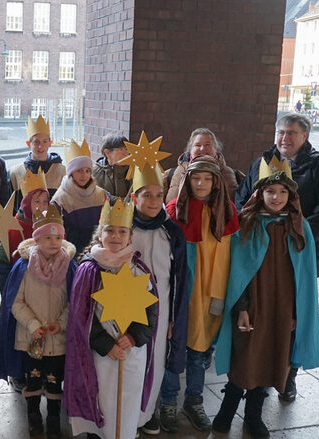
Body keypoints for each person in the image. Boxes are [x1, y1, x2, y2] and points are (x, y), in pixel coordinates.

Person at [213, 158, 319, 439]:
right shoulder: (247, 224)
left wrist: (297, 313)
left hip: (283, 309)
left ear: (291, 196)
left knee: (273, 357)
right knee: (246, 357)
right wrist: (242, 308)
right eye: (270, 191)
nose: (276, 198)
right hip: (253, 305)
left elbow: (305, 279)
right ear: (259, 193)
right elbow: (237, 274)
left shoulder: (300, 228)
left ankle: (253, 415)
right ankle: (227, 408)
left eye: (283, 192)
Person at [235, 113, 319, 401]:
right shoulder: (261, 165)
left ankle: (287, 376)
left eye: (291, 133)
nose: (284, 138)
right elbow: (241, 201)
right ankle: (256, 370)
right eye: (280, 132)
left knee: (292, 318)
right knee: (261, 315)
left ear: (305, 136)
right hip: (260, 256)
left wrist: (295, 237)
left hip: (299, 257)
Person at [64, 198, 158, 439]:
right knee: (105, 403)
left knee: (127, 404)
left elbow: (150, 312)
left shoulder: (139, 268)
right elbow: (80, 315)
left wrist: (135, 337)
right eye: (110, 230)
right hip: (102, 355)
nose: (116, 236)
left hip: (132, 352)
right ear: (100, 234)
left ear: (129, 236)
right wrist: (106, 345)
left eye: (122, 231)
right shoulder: (90, 270)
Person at [162, 155, 239, 433]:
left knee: (199, 351)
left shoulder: (227, 212)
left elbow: (230, 259)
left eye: (207, 179)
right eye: (196, 178)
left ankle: (194, 400)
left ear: (216, 182)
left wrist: (223, 298)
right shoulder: (174, 210)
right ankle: (168, 401)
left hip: (210, 293)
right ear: (187, 180)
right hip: (179, 293)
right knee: (173, 349)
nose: (201, 183)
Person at [0, 204, 77, 439]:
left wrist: (61, 323)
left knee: (54, 381)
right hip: (31, 338)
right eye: (47, 237)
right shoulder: (24, 267)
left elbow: (74, 302)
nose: (53, 242)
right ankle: (34, 420)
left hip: (58, 338)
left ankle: (52, 422)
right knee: (34, 379)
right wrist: (33, 325)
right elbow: (15, 302)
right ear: (37, 239)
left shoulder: (69, 266)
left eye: (58, 237)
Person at [129, 164, 189, 435]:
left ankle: (147, 411)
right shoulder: (124, 227)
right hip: (127, 303)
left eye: (158, 194)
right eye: (146, 195)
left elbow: (179, 279)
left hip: (161, 305)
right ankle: (126, 410)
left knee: (155, 358)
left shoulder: (172, 231)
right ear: (134, 198)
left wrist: (174, 318)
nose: (153, 201)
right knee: (129, 357)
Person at [0, 170, 50, 300]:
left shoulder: (52, 226)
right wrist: (9, 297)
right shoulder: (12, 228)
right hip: (19, 293)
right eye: (37, 202)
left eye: (45, 202)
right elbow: (3, 268)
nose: (41, 207)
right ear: (26, 203)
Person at [51, 139, 107, 255]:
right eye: (79, 171)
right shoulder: (60, 199)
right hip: (72, 250)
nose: (84, 175)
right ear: (71, 173)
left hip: (98, 248)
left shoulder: (101, 194)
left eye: (87, 171)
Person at [163, 128, 244, 203]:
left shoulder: (236, 176)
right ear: (190, 149)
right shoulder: (169, 175)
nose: (202, 149)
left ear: (215, 148)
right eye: (197, 145)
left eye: (207, 145)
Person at [9, 115, 65, 212]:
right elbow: (12, 207)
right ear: (28, 144)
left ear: (50, 143)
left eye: (44, 141)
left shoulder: (61, 171)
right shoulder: (16, 172)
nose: (40, 146)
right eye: (36, 142)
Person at [93, 133, 132, 198]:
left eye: (127, 149)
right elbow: (98, 196)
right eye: (122, 149)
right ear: (107, 152)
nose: (127, 153)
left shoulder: (133, 170)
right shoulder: (96, 172)